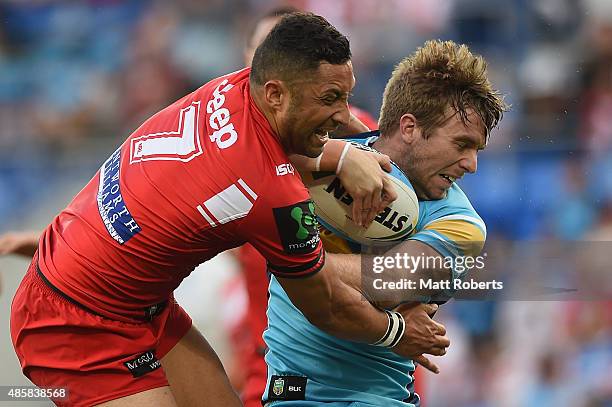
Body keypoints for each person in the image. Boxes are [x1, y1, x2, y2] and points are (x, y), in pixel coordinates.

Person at [10, 13, 447, 407]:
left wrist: (343, 154)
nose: (342, 115)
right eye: (330, 98)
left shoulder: (233, 86)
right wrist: (396, 332)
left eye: (346, 96)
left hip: (134, 300)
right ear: (275, 92)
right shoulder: (275, 198)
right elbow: (326, 306)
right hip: (72, 321)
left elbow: (251, 160)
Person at [262, 39, 508, 406]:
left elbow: (387, 283)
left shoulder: (462, 224)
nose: (471, 164)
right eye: (461, 144)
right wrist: (335, 156)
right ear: (408, 127)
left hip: (375, 398)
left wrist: (289, 257)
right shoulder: (326, 148)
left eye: (477, 150)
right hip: (287, 392)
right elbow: (250, 151)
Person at [234, 7, 380, 406]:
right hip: (273, 371)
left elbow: (419, 268)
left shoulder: (363, 135)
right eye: (262, 51)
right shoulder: (227, 152)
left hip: (364, 366)